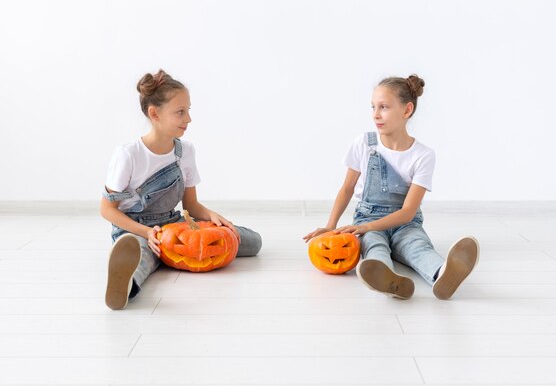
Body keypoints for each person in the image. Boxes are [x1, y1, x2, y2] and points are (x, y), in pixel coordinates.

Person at [303, 75, 478, 300]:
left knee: (416, 245)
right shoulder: (364, 143)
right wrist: (331, 226)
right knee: (374, 245)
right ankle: (388, 279)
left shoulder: (423, 155)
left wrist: (367, 228)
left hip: (405, 222)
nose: (376, 114)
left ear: (407, 110)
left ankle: (443, 274)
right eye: (373, 107)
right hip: (367, 218)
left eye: (384, 107)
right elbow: (347, 188)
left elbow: (407, 212)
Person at [101, 69, 262, 310]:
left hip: (173, 224)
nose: (188, 119)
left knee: (250, 241)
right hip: (135, 230)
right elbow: (107, 210)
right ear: (154, 113)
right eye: (180, 112)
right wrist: (146, 233)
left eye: (188, 111)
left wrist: (213, 218)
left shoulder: (184, 151)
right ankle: (126, 284)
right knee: (144, 256)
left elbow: (191, 206)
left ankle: (168, 252)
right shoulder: (129, 155)